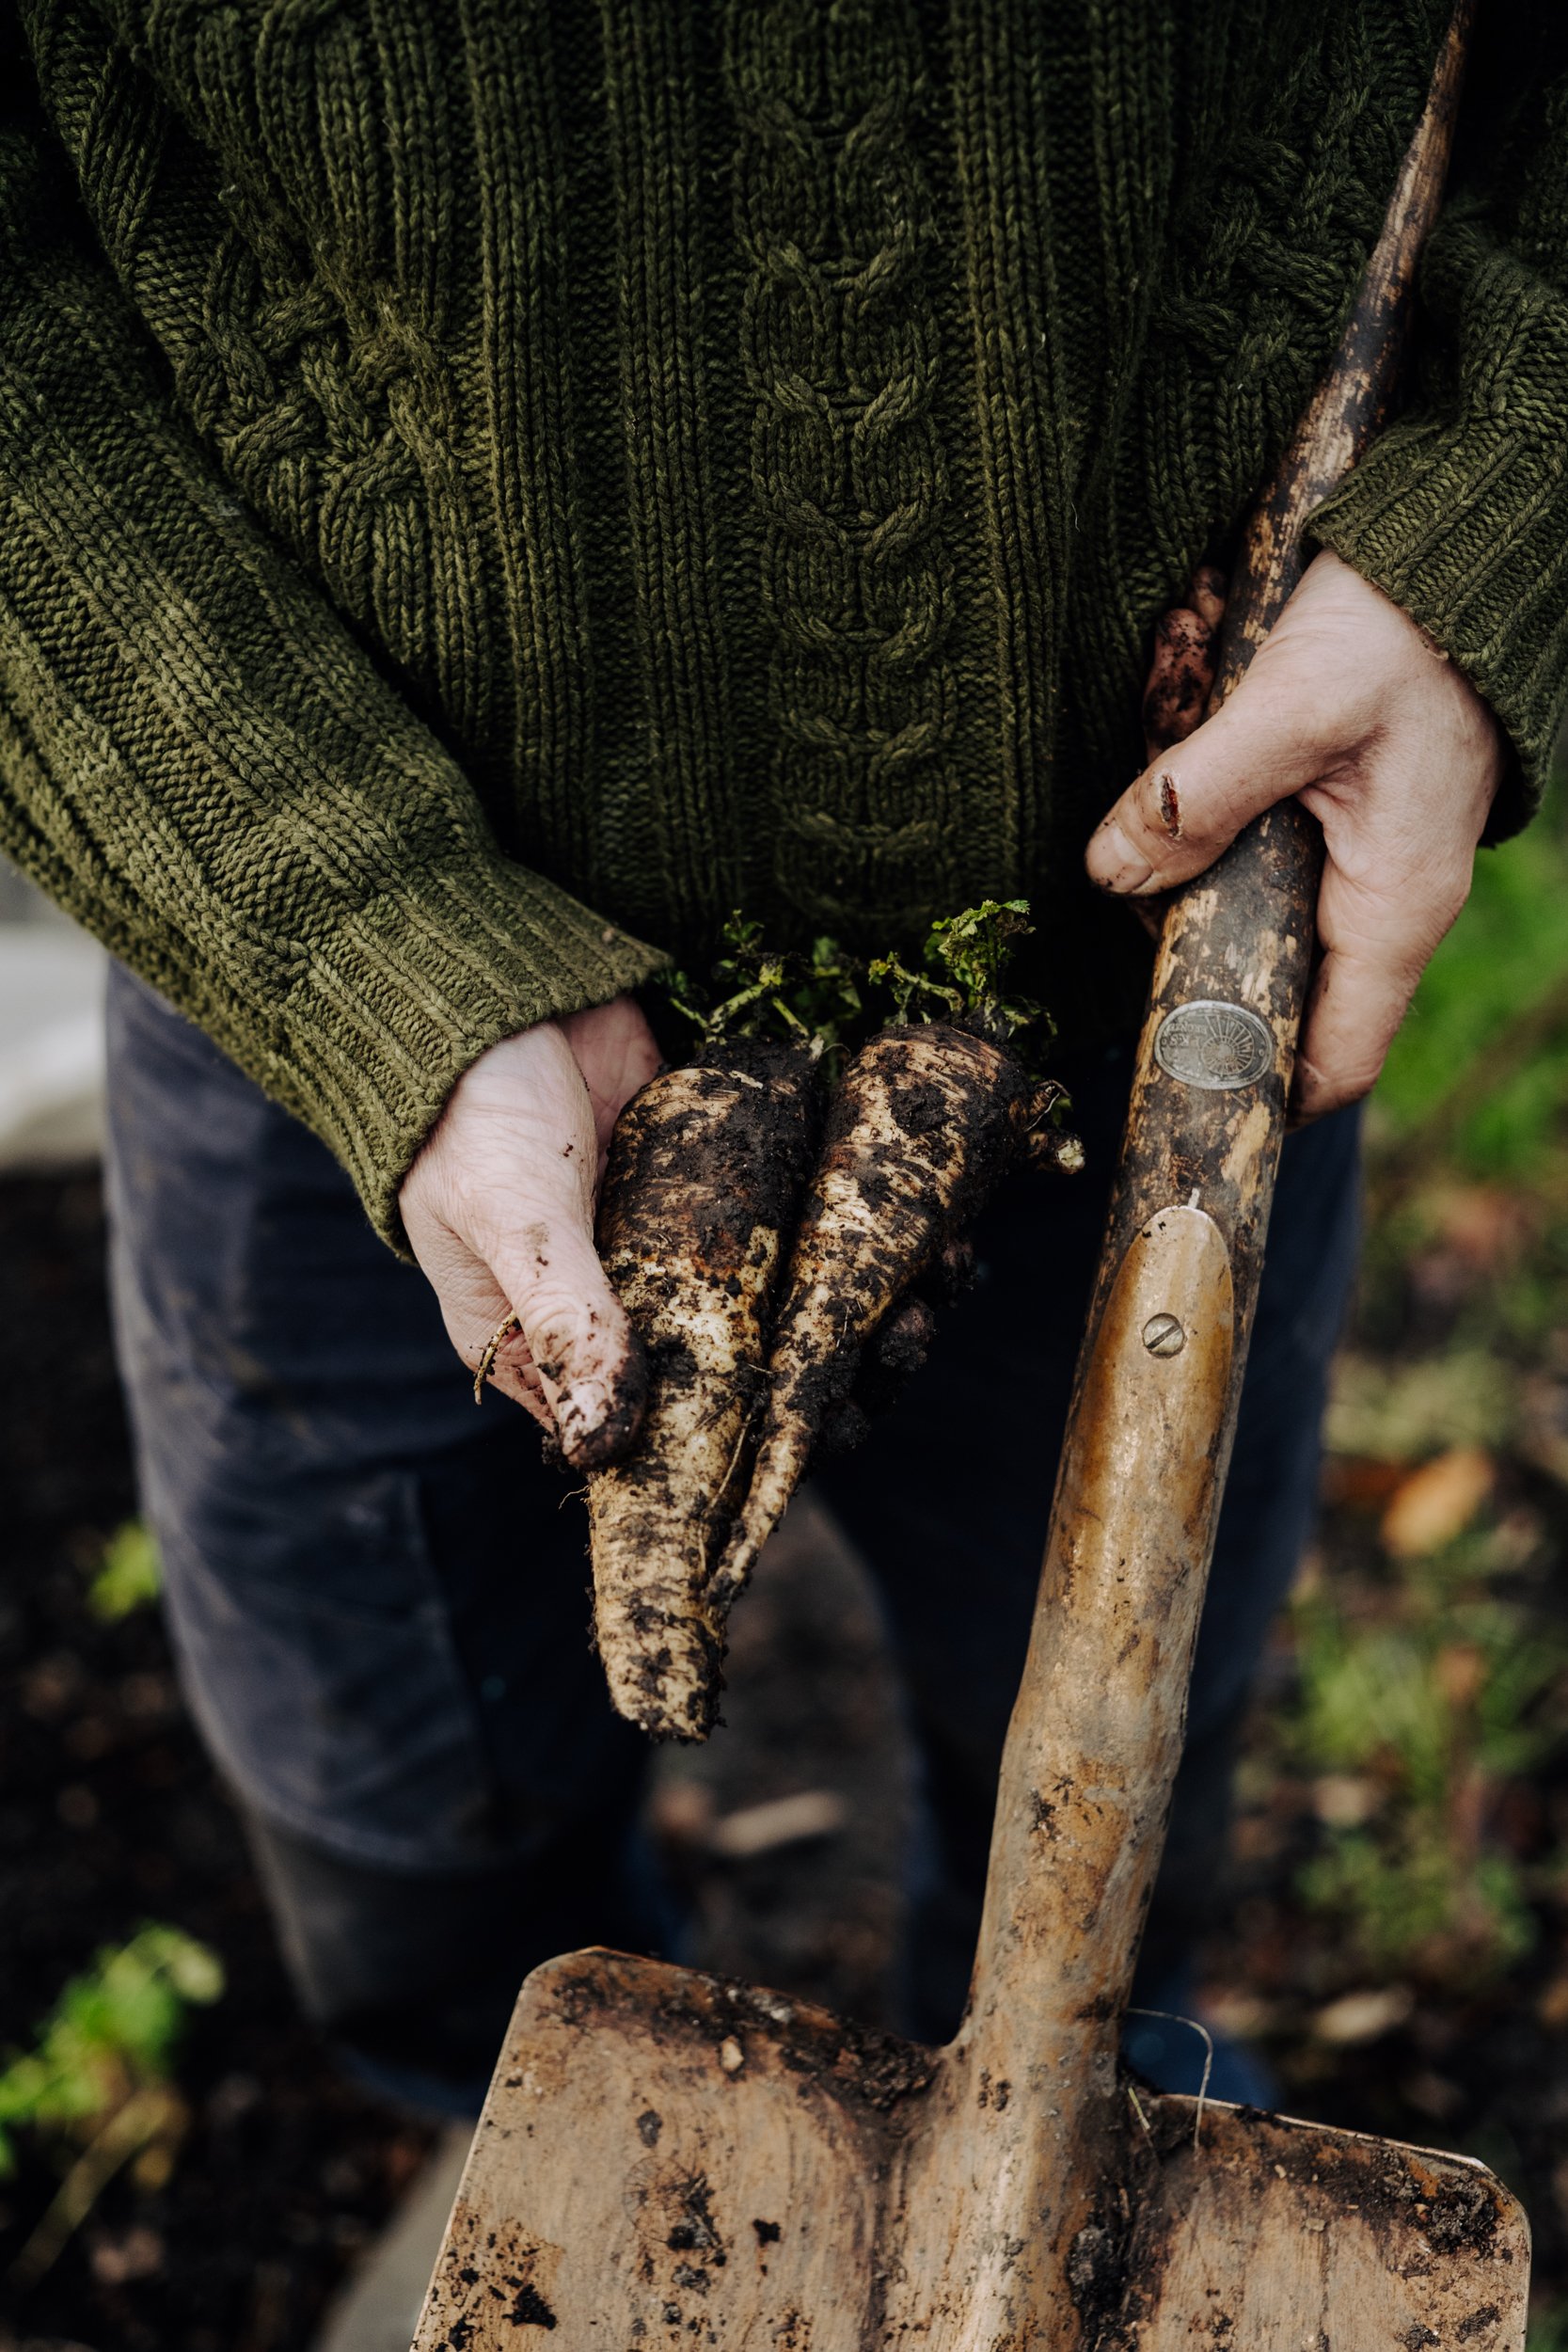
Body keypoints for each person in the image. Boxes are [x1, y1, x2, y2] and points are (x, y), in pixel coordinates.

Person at [2, 0, 1562, 2189]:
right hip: (318, 905)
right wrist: (351, 937)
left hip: (1166, 908)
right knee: (392, 1785)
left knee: (1120, 1772)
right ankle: (508, 2136)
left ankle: (1028, 2146)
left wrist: (1496, 528)